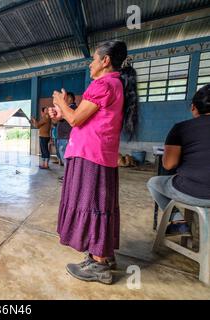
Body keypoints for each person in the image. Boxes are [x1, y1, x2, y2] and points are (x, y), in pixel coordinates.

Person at [49, 40, 138, 284]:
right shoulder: (114, 84)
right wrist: (61, 113)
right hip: (98, 154)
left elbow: (76, 119)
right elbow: (82, 119)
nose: (91, 64)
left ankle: (98, 265)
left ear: (105, 61)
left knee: (91, 203)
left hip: (90, 155)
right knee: (100, 203)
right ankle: (102, 254)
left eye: (94, 59)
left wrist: (61, 103)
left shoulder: (103, 84)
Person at [147, 85, 210, 236]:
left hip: (193, 192)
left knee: (154, 183)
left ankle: (178, 222)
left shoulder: (182, 128)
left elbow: (169, 164)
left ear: (193, 107)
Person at [54, 92, 77, 182]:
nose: (63, 100)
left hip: (66, 138)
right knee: (64, 157)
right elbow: (56, 121)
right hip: (63, 137)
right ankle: (68, 177)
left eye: (65, 98)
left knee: (66, 158)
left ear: (70, 99)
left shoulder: (71, 108)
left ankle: (69, 178)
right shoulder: (68, 109)